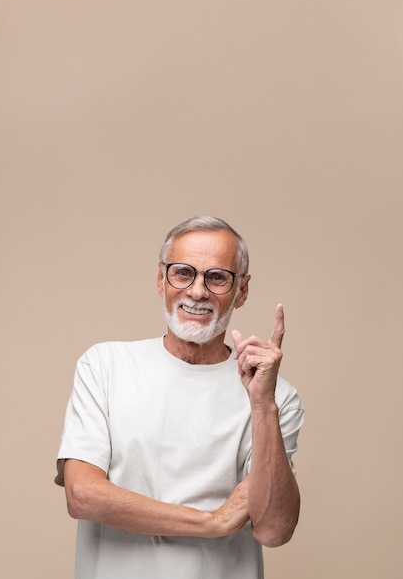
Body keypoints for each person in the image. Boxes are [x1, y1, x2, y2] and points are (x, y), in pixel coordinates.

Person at [55, 215, 304, 579]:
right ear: (161, 279)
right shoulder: (105, 365)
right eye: (183, 272)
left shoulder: (276, 396)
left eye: (217, 277)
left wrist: (263, 406)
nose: (198, 291)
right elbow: (83, 496)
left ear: (243, 290)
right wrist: (214, 521)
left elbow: (274, 529)